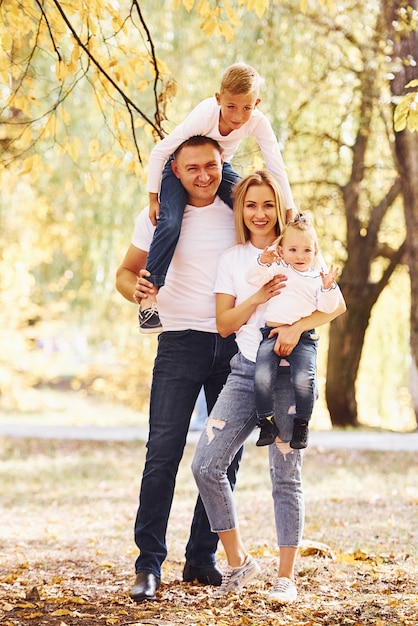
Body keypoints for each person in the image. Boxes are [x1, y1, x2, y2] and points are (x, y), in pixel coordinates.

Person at [191, 171, 346, 602]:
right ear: (241, 210)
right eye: (251, 205)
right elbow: (224, 324)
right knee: (205, 465)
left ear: (280, 208)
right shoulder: (234, 259)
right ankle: (240, 562)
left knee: (285, 473)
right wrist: (257, 299)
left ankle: (286, 577)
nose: (260, 214)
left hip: (288, 374)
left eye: (268, 205)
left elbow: (334, 306)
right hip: (245, 370)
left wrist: (296, 328)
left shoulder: (301, 247)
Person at [115, 136, 243, 603]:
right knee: (162, 455)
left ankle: (200, 556)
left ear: (221, 164)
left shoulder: (239, 214)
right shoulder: (157, 218)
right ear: (175, 171)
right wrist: (137, 289)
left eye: (211, 165)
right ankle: (148, 565)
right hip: (178, 344)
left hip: (234, 347)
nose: (204, 176)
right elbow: (124, 273)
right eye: (192, 168)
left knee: (222, 459)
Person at [139, 62, 296, 333]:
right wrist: (154, 198)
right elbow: (159, 152)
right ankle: (151, 295)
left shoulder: (257, 121)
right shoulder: (203, 116)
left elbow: (275, 165)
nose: (238, 116)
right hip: (179, 166)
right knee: (171, 220)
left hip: (218, 166)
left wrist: (290, 210)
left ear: (256, 103)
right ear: (218, 99)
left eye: (247, 107)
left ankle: (276, 263)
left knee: (250, 206)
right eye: (231, 106)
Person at [246, 212, 343, 449]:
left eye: (306, 250)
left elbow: (329, 308)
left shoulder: (316, 278)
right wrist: (264, 261)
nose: (300, 256)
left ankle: (301, 424)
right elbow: (252, 279)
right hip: (272, 332)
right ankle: (266, 422)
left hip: (304, 339)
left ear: (315, 252)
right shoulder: (278, 269)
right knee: (261, 376)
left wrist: (329, 288)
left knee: (303, 379)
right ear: (282, 249)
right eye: (293, 250)